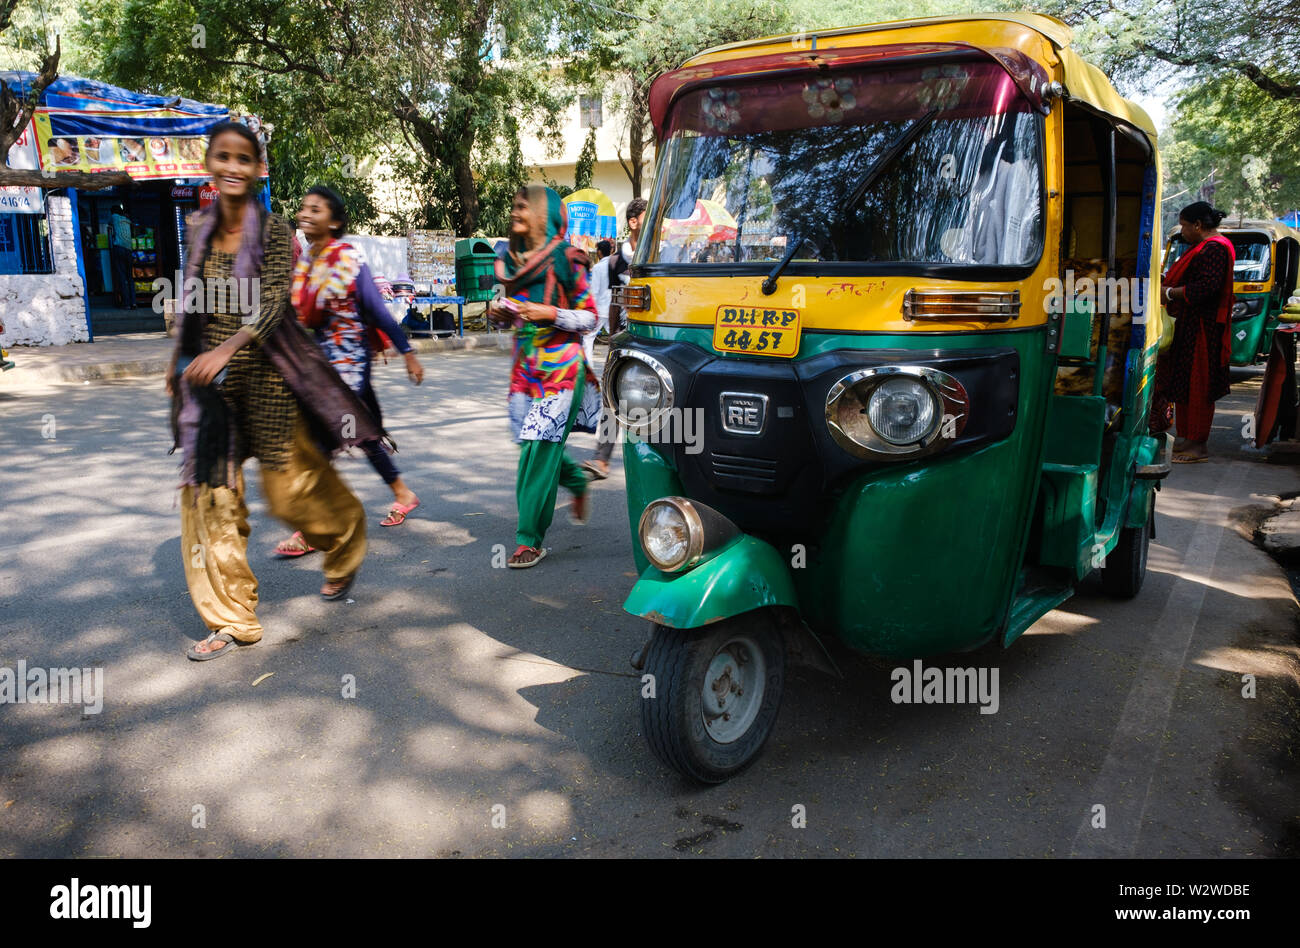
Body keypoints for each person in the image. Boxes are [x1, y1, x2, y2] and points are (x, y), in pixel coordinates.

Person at [168, 121, 383, 661]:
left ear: (258, 168)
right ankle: (234, 619)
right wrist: (183, 334)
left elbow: (271, 307)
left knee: (290, 495)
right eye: (224, 157)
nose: (234, 167)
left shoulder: (276, 230)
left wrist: (224, 349)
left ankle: (344, 538)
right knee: (213, 500)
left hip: (267, 378)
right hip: (212, 390)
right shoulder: (195, 228)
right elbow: (194, 294)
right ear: (210, 163)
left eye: (245, 158)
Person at [272, 185, 426, 558]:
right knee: (361, 433)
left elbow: (374, 309)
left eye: (316, 209)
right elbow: (301, 317)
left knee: (320, 444)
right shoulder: (308, 259)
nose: (306, 214)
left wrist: (407, 351)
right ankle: (402, 493)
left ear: (335, 221)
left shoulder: (347, 258)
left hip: (349, 367)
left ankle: (311, 528)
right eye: (304, 207)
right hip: (324, 365)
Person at [487, 185, 600, 568]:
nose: (515, 210)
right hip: (524, 369)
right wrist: (498, 314)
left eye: (523, 205)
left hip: (563, 369)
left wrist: (552, 314)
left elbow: (590, 317)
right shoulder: (511, 259)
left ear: (544, 214)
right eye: (514, 204)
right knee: (529, 443)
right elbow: (504, 309)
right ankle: (577, 480)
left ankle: (528, 539)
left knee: (537, 448)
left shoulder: (568, 259)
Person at [1155, 202, 1235, 463]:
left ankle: (1198, 445)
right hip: (1191, 324)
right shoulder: (1206, 247)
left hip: (1204, 327)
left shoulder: (1214, 248)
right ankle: (1187, 438)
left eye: (1186, 226)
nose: (1184, 231)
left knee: (1198, 384)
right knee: (1185, 382)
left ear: (1198, 225)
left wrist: (1167, 293)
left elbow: (1205, 288)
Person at [583, 197, 646, 480]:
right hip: (623, 338)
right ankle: (602, 459)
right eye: (648, 216)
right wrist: (612, 342)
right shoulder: (615, 263)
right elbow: (611, 302)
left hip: (656, 339)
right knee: (612, 398)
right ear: (633, 223)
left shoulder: (664, 255)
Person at [583, 238, 615, 364]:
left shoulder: (598, 267)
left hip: (600, 309)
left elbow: (594, 291)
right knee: (614, 339)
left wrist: (590, 309)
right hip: (612, 308)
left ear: (600, 252)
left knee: (588, 338)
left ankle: (588, 368)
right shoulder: (614, 266)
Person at [109, 204, 136, 309]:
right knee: (130, 278)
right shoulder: (127, 220)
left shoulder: (114, 217)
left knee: (122, 277)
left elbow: (109, 224)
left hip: (119, 248)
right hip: (129, 250)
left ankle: (126, 303)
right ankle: (133, 302)